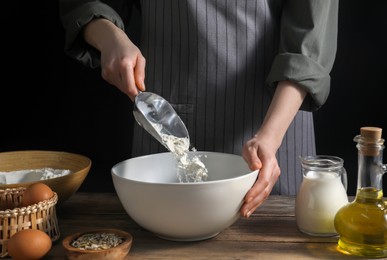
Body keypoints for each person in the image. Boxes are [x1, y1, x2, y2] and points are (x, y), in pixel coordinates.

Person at [59, 0, 339, 218]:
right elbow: (83, 4)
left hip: (274, 129)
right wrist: (109, 37)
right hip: (164, 124)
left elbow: (309, 40)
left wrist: (270, 135)